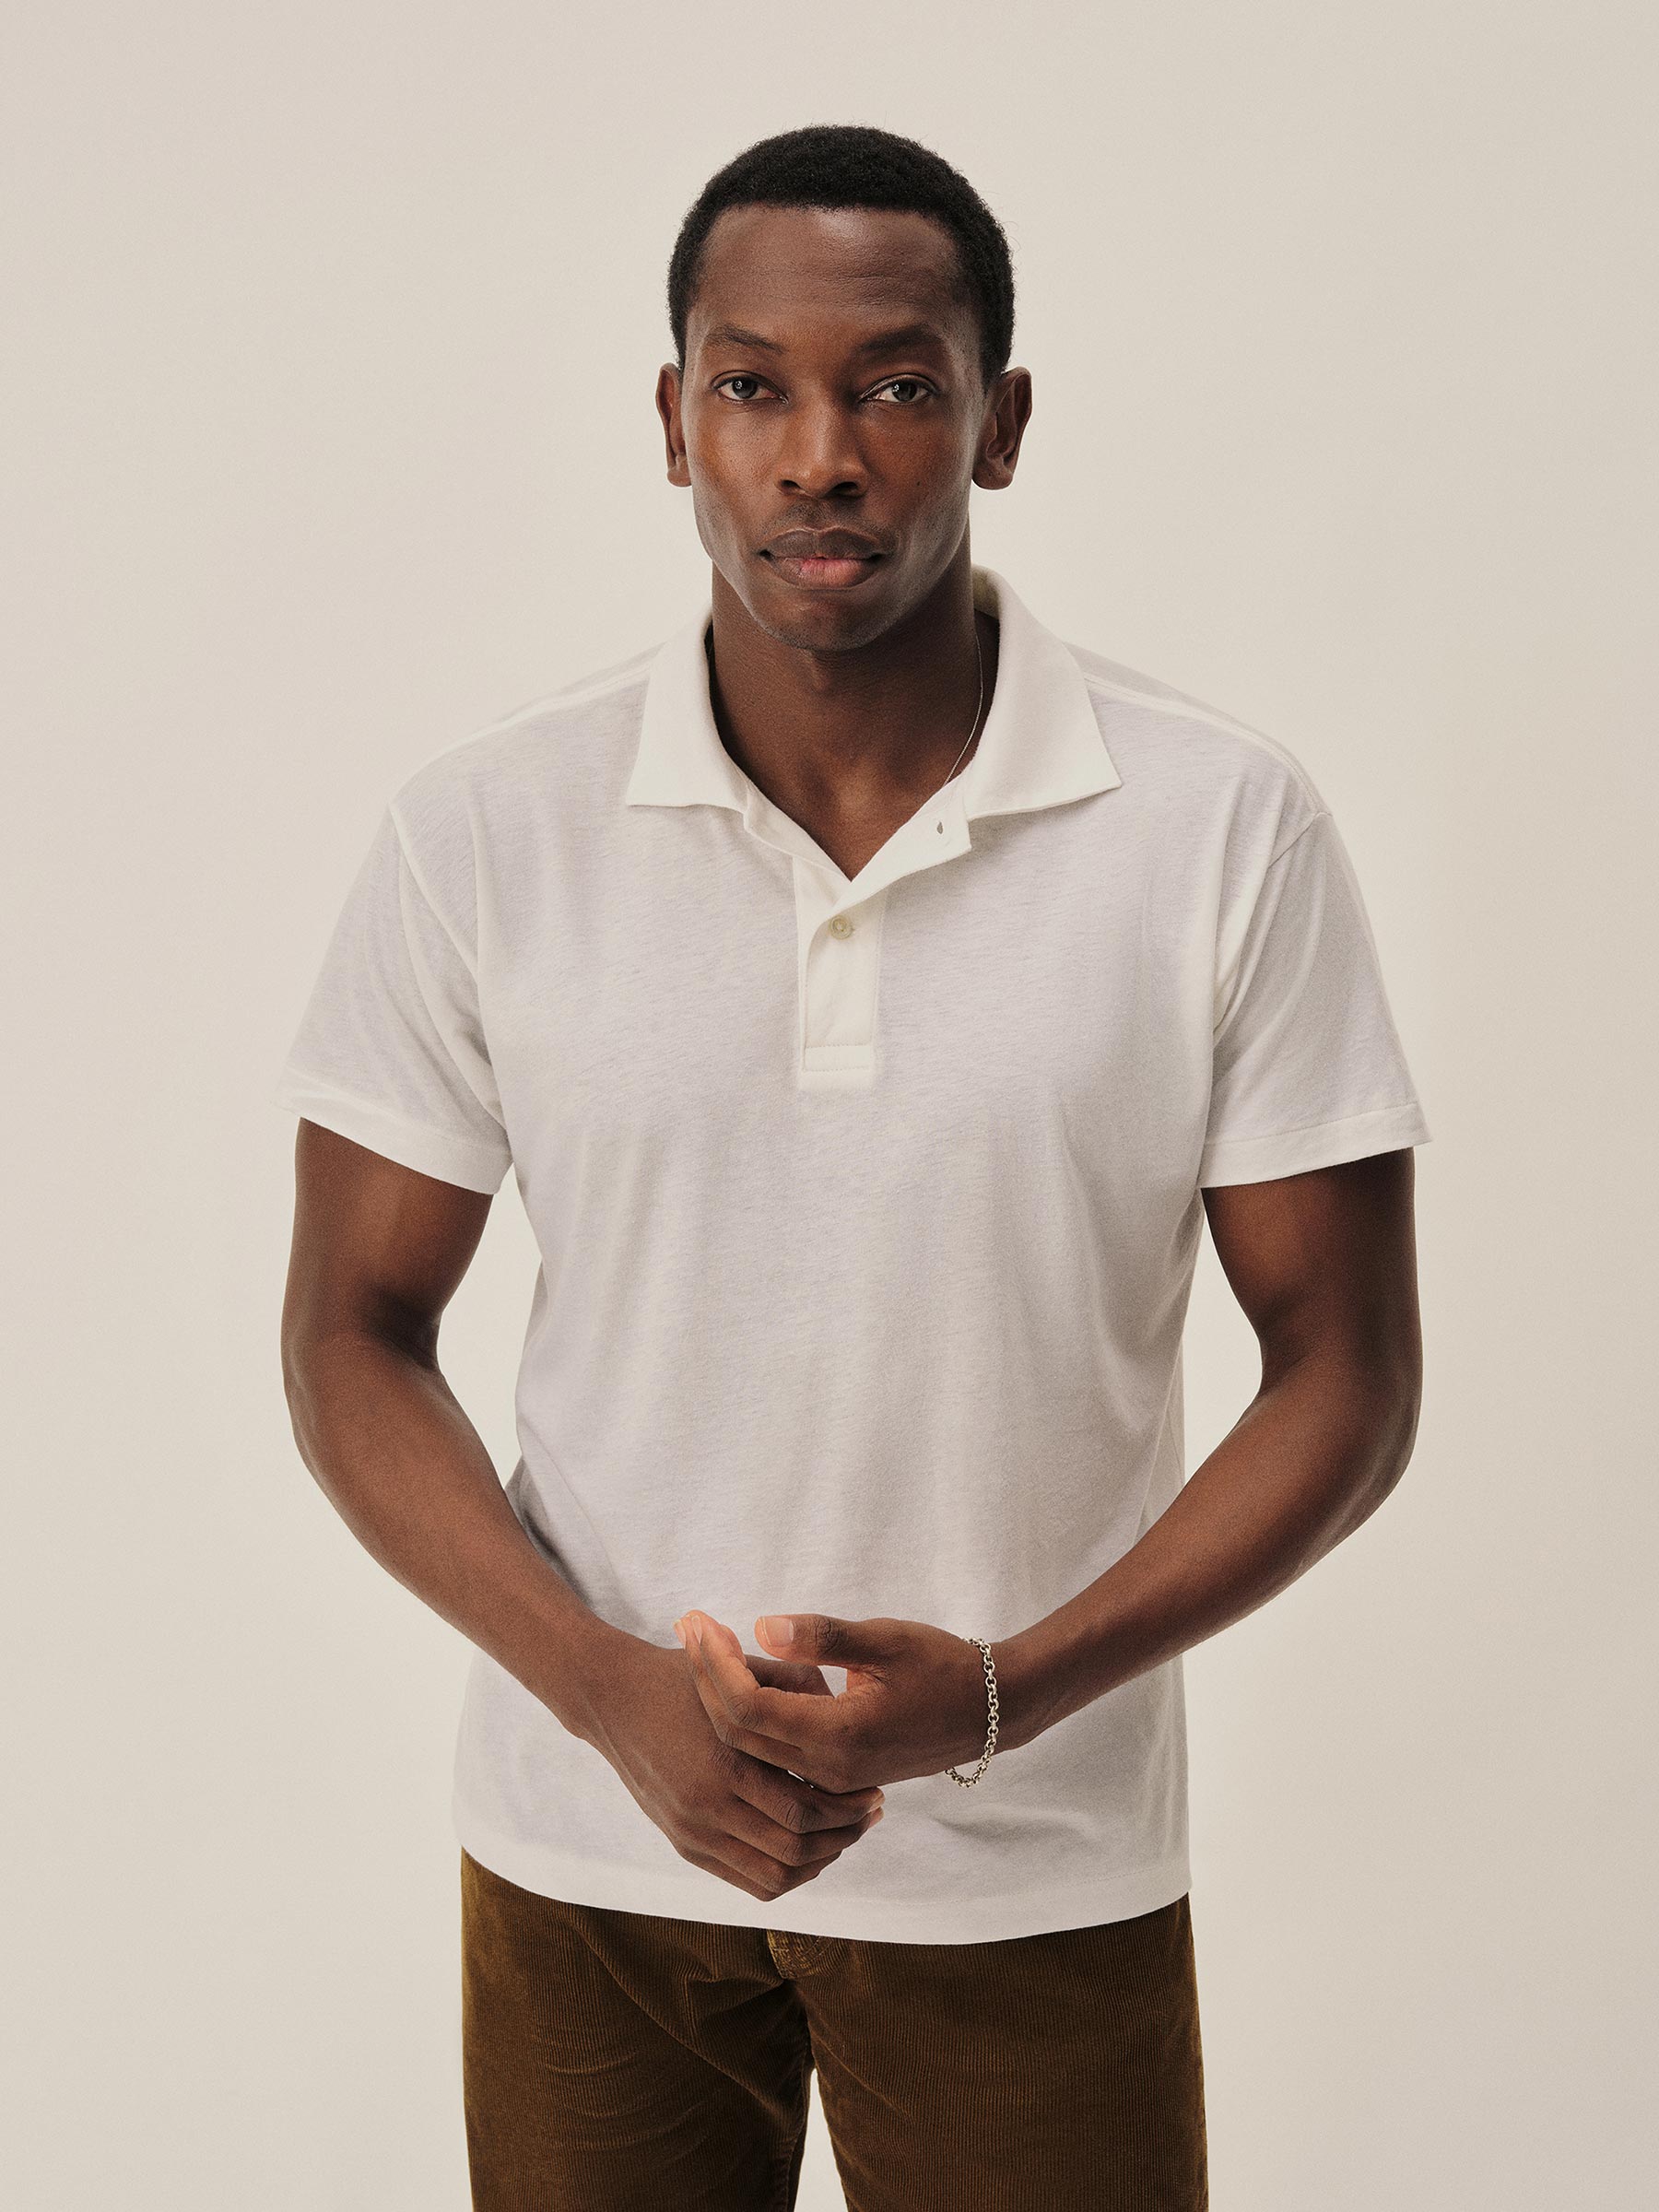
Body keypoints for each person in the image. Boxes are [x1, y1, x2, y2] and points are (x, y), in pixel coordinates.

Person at [274, 122, 1430, 2211]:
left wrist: (996, 1698)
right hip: (587, 1860)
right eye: (755, 386)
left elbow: (1347, 1378)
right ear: (674, 421)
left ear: (1000, 423)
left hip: (1035, 1875)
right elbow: (351, 1330)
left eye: (896, 385)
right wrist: (608, 1696)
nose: (821, 456)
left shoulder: (1218, 828)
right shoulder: (487, 832)